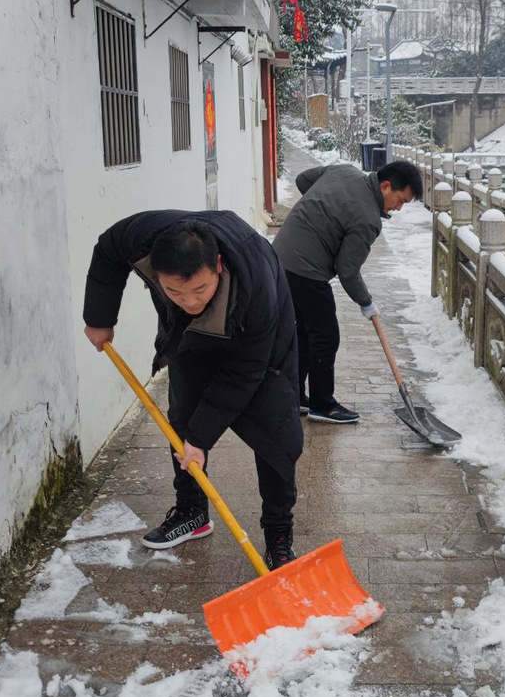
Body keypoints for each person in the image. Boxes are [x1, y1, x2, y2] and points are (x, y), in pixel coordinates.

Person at [82, 210, 302, 569]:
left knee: (277, 436)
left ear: (218, 266)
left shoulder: (256, 282)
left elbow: (244, 373)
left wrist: (202, 437)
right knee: (182, 419)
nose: (191, 302)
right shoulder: (140, 238)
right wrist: (99, 318)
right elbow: (107, 250)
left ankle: (279, 534)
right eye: (175, 291)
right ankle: (192, 511)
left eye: (200, 289)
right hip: (189, 336)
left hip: (261, 345)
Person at [272, 159, 423, 424]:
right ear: (386, 186)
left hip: (279, 256)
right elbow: (348, 269)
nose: (398, 208)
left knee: (304, 333)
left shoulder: (343, 170)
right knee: (326, 337)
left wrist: (322, 211)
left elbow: (303, 180)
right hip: (306, 268)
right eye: (400, 200)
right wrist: (366, 302)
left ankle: (293, 396)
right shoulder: (368, 219)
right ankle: (322, 405)